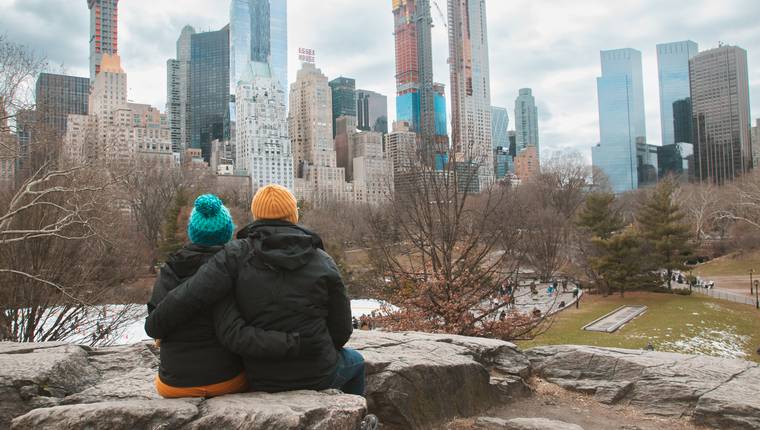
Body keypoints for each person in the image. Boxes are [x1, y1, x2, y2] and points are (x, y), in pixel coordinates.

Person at [145, 185, 365, 398]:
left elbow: (194, 292)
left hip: (260, 374)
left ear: (256, 215)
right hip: (319, 369)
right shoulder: (322, 259)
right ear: (293, 215)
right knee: (356, 361)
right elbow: (342, 328)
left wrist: (156, 323)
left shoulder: (235, 254)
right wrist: (317, 347)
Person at [146, 194, 304, 398]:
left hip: (173, 385)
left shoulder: (170, 270)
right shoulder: (238, 268)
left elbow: (156, 325)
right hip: (228, 380)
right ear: (228, 232)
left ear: (192, 232)